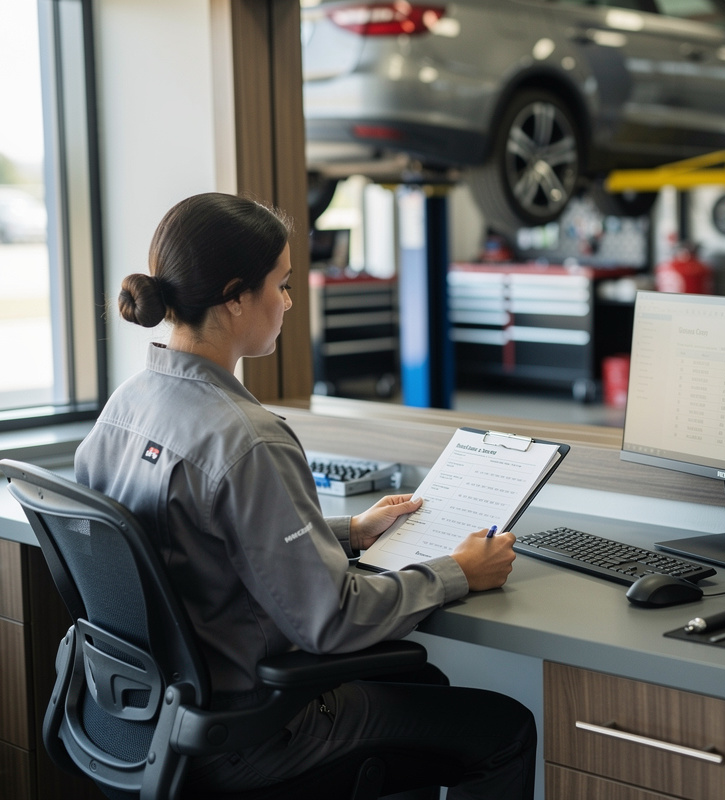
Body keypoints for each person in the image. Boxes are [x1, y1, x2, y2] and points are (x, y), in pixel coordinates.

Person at [74, 192, 536, 798]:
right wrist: (458, 572)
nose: (289, 302)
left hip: (151, 718)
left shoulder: (127, 405)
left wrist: (349, 533)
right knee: (505, 728)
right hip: (254, 735)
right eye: (283, 284)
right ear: (237, 295)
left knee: (425, 687)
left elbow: (189, 540)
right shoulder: (248, 438)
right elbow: (333, 621)